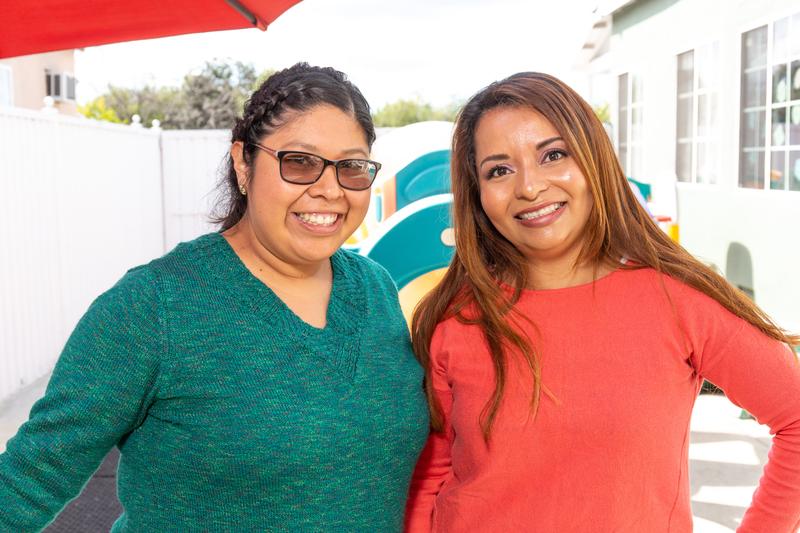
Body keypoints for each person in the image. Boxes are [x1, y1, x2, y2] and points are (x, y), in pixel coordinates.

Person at [0, 63, 429, 532]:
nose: (329, 189)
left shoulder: (375, 288)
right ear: (244, 163)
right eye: (300, 162)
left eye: (351, 167)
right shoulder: (153, 307)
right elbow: (28, 480)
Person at [404, 72, 800, 532]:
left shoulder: (678, 299)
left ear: (594, 159)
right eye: (499, 170)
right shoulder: (453, 317)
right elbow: (431, 477)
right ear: (477, 194)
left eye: (553, 155)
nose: (530, 187)